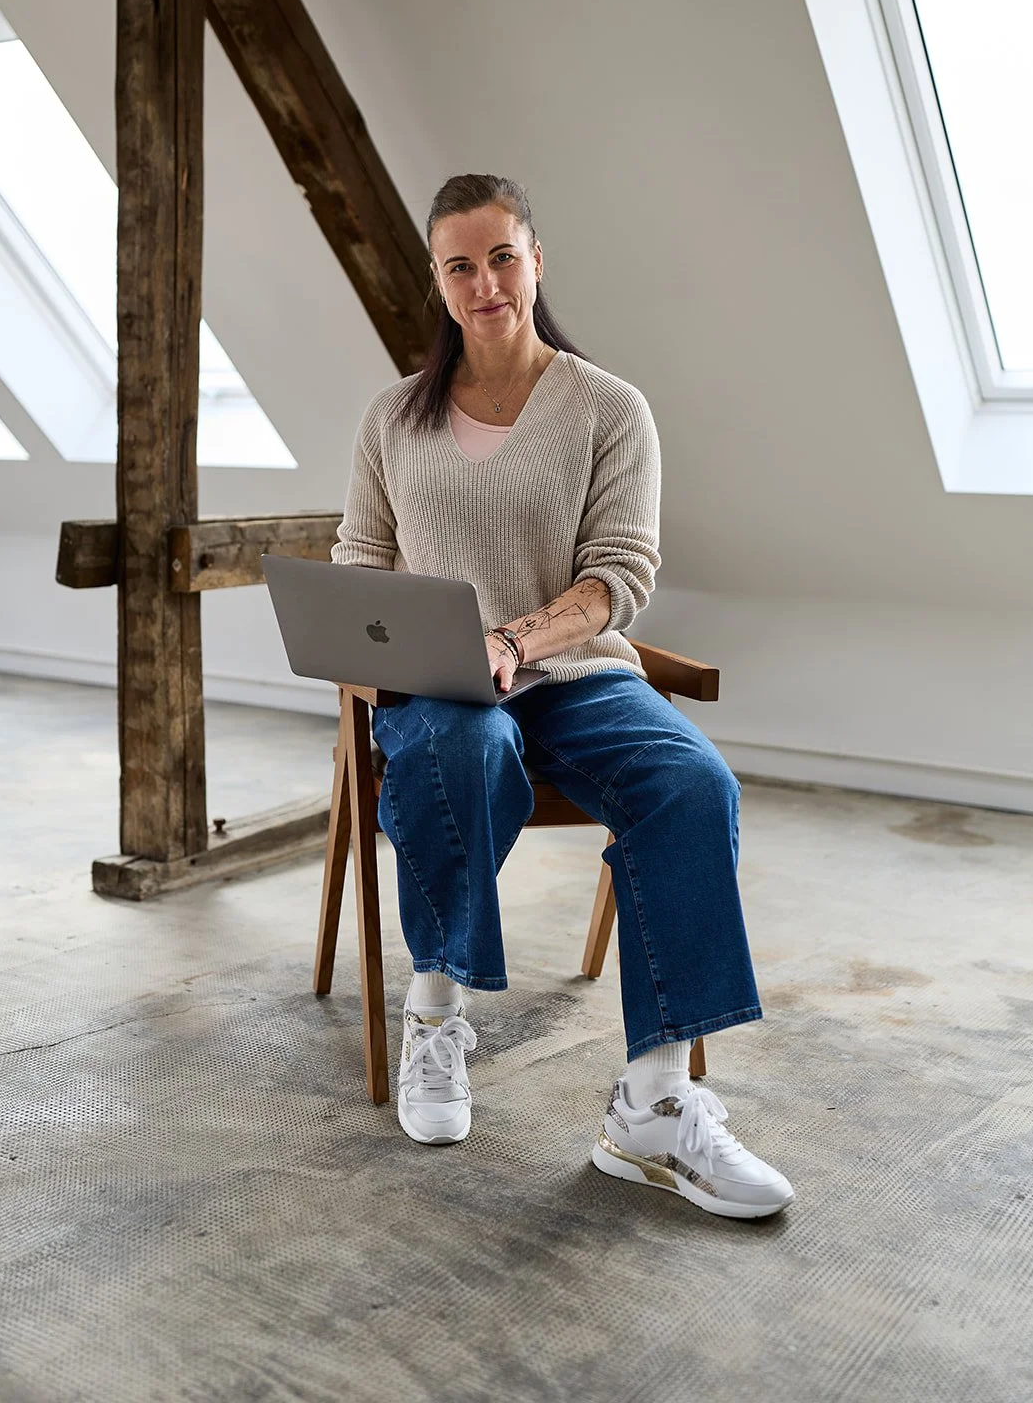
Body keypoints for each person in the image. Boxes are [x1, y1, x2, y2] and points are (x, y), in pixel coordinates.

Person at [331, 173, 793, 1219]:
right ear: (438, 283)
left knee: (689, 783)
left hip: (573, 675)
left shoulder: (606, 407)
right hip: (441, 690)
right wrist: (398, 648)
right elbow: (359, 561)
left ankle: (654, 1108)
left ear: (536, 260)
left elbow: (618, 573)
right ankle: (438, 1012)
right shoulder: (390, 419)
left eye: (501, 256)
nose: (484, 280)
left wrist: (515, 637)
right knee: (462, 746)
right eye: (460, 264)